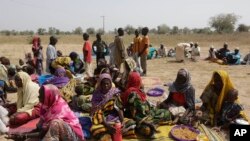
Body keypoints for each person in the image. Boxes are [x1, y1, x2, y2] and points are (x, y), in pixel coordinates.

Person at [7, 84, 85, 141]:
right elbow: (39, 128)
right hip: (57, 132)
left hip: (74, 136)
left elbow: (42, 133)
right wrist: (23, 135)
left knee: (55, 124)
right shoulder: (45, 107)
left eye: (41, 95)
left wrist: (24, 136)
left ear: (49, 96)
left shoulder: (59, 109)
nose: (38, 97)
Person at [121, 72, 171, 138]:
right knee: (166, 114)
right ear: (137, 81)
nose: (141, 81)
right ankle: (148, 126)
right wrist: (149, 119)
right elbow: (140, 114)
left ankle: (150, 125)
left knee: (165, 112)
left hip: (143, 115)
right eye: (139, 80)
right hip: (140, 119)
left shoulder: (132, 89)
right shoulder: (133, 94)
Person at [91, 73, 136, 140]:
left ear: (111, 83)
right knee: (94, 129)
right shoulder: (96, 95)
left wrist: (122, 122)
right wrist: (107, 126)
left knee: (131, 123)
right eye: (104, 84)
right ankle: (108, 133)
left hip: (115, 118)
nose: (106, 85)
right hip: (102, 120)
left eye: (108, 83)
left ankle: (115, 132)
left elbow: (119, 109)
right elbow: (97, 112)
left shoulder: (115, 93)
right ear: (100, 84)